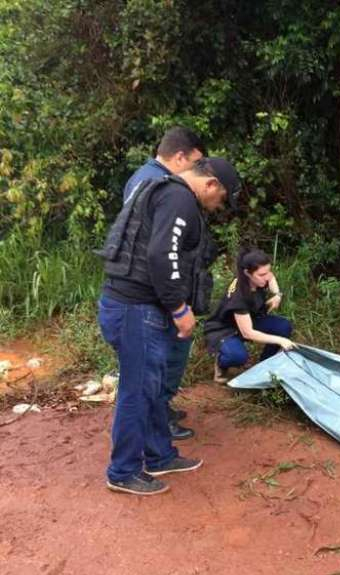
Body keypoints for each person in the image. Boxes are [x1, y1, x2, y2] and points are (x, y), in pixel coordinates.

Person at [97, 157, 242, 496]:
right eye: (221, 199)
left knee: (153, 386)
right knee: (138, 390)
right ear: (211, 185)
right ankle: (122, 472)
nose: (217, 206)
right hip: (136, 308)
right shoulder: (179, 198)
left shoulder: (167, 193)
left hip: (140, 307)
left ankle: (159, 455)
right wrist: (179, 308)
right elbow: (162, 255)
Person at [124, 127, 206, 440]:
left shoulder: (144, 176)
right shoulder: (159, 183)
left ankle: (161, 413)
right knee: (164, 359)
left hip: (150, 290)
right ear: (180, 157)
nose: (197, 171)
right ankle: (158, 422)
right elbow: (159, 249)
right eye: (195, 163)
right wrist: (175, 302)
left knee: (164, 359)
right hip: (151, 294)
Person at [204, 249, 296, 383]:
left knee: (283, 326)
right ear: (248, 273)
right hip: (225, 330)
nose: (267, 277)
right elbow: (248, 333)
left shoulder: (258, 278)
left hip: (249, 320)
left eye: (268, 271)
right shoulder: (240, 296)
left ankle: (264, 366)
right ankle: (221, 363)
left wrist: (277, 295)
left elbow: (271, 277)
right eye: (262, 274)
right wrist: (280, 340)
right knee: (237, 357)